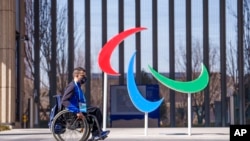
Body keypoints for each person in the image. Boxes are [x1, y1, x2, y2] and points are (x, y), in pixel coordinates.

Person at [61, 67, 110, 141]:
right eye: (82, 75)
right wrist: (77, 111)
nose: (84, 77)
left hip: (81, 107)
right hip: (75, 110)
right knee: (96, 110)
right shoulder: (72, 86)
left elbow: (81, 100)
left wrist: (83, 109)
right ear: (76, 76)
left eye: (85, 76)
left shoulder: (78, 86)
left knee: (93, 113)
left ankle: (96, 133)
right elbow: (64, 100)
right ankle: (96, 133)